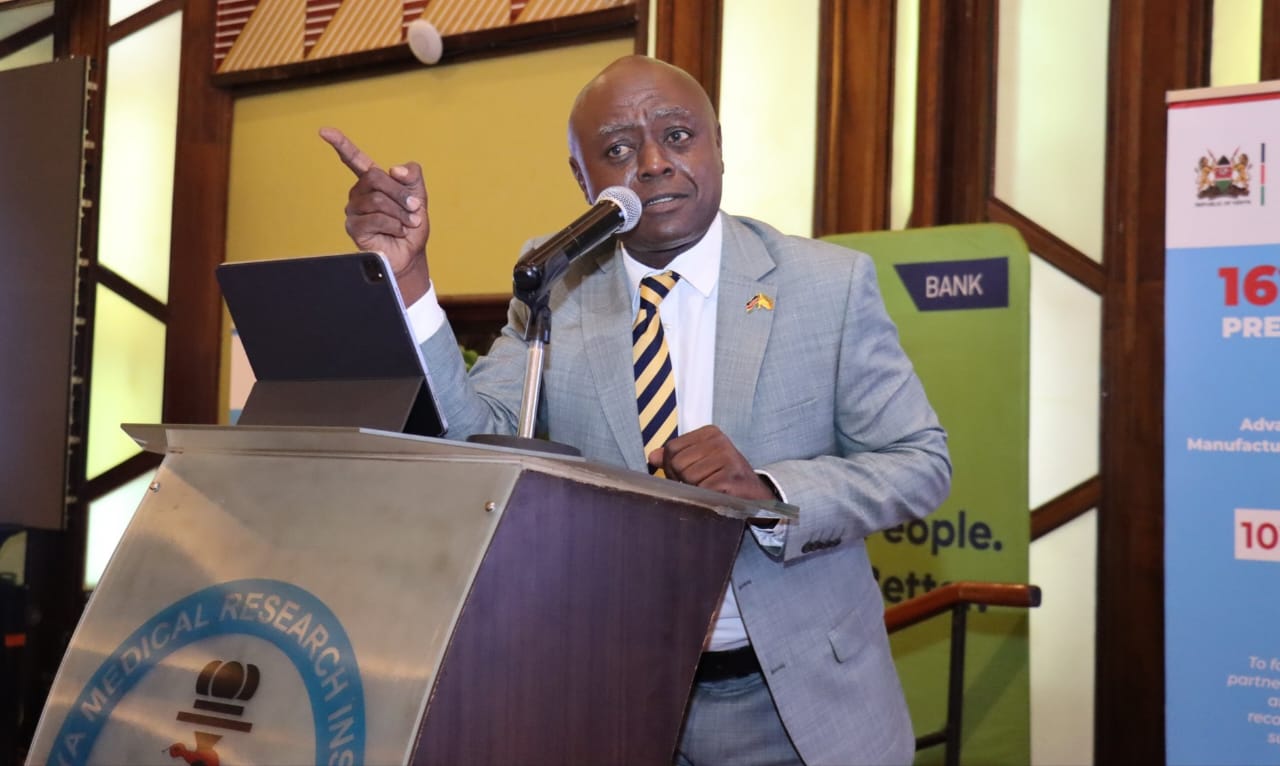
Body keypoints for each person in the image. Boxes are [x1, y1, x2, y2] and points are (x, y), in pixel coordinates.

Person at [321, 54, 950, 766]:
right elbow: (484, 439)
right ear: (582, 179)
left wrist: (770, 492)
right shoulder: (556, 282)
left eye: (678, 135)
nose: (651, 163)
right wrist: (408, 281)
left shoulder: (825, 284)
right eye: (617, 150)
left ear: (718, 145)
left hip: (797, 706)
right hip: (614, 699)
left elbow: (920, 462)